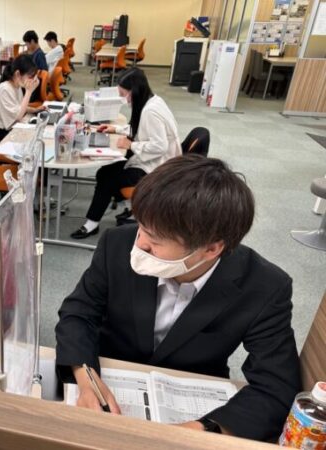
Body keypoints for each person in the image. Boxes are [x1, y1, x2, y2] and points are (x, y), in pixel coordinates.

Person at [55, 154, 301, 442]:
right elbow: (78, 313)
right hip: (113, 375)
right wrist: (86, 378)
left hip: (194, 395)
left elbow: (276, 387)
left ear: (211, 249)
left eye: (154, 241)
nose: (139, 244)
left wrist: (198, 431)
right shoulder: (117, 243)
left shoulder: (264, 286)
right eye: (141, 227)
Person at [70, 67, 181, 240]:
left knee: (108, 178)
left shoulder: (150, 111)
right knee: (105, 172)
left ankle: (92, 224)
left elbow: (160, 146)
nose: (123, 98)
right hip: (153, 160)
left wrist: (131, 145)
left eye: (123, 94)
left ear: (133, 91)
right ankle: (129, 208)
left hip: (157, 167)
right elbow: (141, 129)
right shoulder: (152, 101)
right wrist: (116, 129)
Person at [0, 54, 45, 143]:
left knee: (38, 134)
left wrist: (34, 110)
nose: (33, 80)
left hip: (10, 128)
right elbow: (18, 116)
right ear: (18, 74)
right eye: (31, 76)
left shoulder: (17, 86)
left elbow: (18, 107)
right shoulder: (5, 89)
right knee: (33, 140)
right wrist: (28, 92)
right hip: (2, 134)